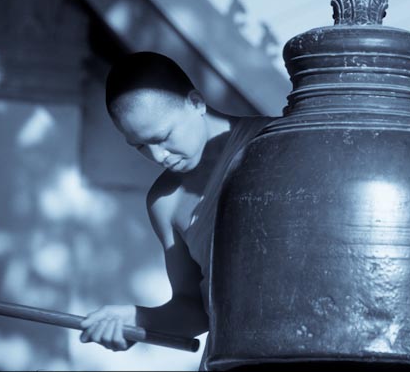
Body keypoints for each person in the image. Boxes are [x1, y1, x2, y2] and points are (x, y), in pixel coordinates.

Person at [78, 51, 273, 362]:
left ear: (195, 102)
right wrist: (136, 320)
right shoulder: (164, 202)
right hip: (230, 357)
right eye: (140, 145)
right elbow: (195, 309)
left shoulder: (276, 143)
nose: (158, 157)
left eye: (163, 137)